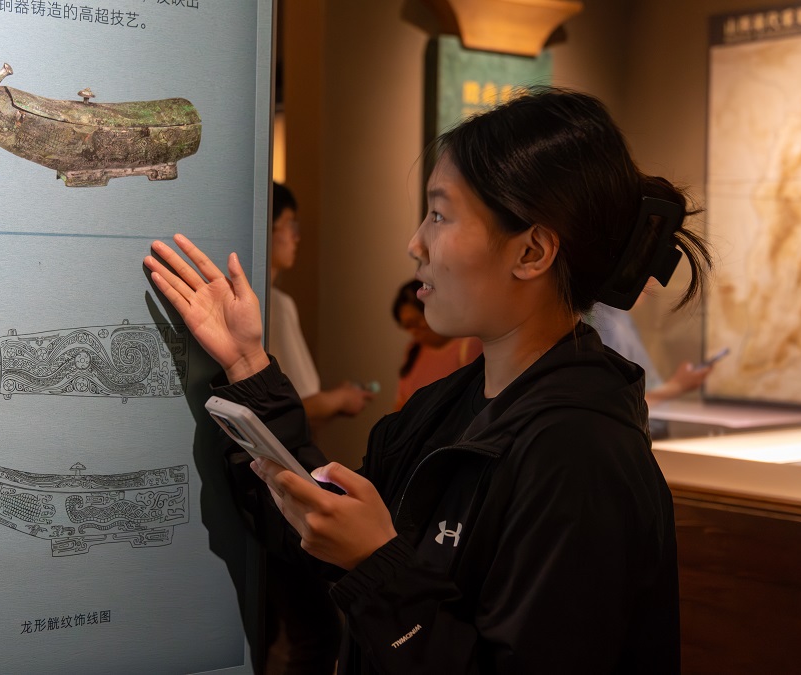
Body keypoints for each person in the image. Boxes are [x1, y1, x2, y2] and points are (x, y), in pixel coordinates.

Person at [145, 87, 711, 673]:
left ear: (532, 252)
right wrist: (246, 364)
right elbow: (327, 525)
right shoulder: (445, 407)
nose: (415, 243)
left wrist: (377, 566)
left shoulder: (583, 456)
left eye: (439, 215)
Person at [268, 182, 373, 429]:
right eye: (290, 225)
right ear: (266, 226)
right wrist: (343, 398)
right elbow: (302, 404)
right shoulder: (277, 305)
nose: (296, 237)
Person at [587, 300, 713, 438]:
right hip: (633, 432)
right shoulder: (607, 323)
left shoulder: (620, 317)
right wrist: (677, 386)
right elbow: (616, 404)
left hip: (645, 428)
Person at [391, 279, 481, 410]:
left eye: (416, 322)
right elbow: (401, 404)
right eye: (407, 326)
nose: (414, 331)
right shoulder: (413, 350)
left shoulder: (467, 346)